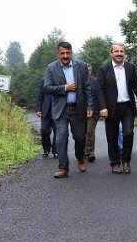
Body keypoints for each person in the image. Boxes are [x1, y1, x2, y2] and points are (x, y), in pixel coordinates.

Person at [43, 42, 94, 178]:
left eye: (68, 53)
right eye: (62, 53)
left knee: (79, 137)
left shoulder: (81, 66)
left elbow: (88, 87)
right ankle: (63, 168)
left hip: (78, 108)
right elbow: (47, 88)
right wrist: (65, 88)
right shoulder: (51, 68)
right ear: (58, 54)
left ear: (71, 52)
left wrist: (90, 106)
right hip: (61, 110)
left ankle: (80, 157)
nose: (65, 56)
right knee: (61, 138)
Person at [98, 43, 137, 174]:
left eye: (121, 51)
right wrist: (102, 107)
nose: (119, 54)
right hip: (111, 107)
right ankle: (114, 162)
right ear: (111, 53)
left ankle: (126, 161)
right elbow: (100, 90)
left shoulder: (130, 67)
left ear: (124, 53)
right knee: (112, 136)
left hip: (127, 107)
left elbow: (136, 87)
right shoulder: (104, 69)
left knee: (128, 133)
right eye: (116, 51)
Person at [36, 78, 58, 158]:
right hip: (46, 110)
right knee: (44, 130)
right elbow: (40, 95)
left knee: (58, 132)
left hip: (57, 110)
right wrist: (38, 109)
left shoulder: (61, 78)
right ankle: (46, 149)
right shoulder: (43, 80)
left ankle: (56, 151)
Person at [84, 64, 100, 163]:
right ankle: (81, 151)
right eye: (86, 70)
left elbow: (99, 96)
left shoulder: (95, 81)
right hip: (80, 111)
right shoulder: (77, 81)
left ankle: (89, 152)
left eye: (89, 70)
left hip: (93, 111)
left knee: (90, 131)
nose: (87, 72)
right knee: (81, 133)